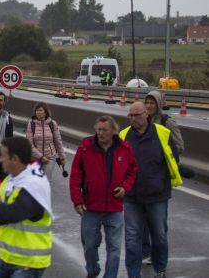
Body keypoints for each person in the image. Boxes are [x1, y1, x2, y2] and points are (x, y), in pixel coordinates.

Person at [119, 101, 182, 278]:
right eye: (130, 115)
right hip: (131, 195)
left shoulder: (162, 133)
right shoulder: (124, 135)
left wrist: (160, 180)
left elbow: (173, 158)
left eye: (136, 115)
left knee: (159, 234)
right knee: (132, 236)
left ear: (146, 114)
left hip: (157, 194)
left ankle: (160, 268)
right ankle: (133, 273)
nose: (133, 119)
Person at [70, 115, 137, 278]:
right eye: (98, 130)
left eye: (104, 130)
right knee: (90, 246)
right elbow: (75, 175)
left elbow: (132, 171)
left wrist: (125, 188)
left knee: (114, 249)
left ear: (113, 131)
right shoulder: (86, 147)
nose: (101, 133)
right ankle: (92, 271)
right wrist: (77, 200)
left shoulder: (124, 148)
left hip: (114, 207)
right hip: (91, 207)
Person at [0, 137, 53, 277]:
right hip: (5, 257)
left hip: (29, 262)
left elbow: (14, 213)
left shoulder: (34, 184)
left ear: (15, 159)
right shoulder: (9, 180)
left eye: (3, 156)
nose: (0, 160)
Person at [25, 103, 66, 180]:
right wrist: (41, 156)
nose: (38, 112)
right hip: (35, 157)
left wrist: (62, 157)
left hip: (50, 157)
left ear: (45, 112)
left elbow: (58, 141)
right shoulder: (31, 124)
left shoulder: (52, 124)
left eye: (40, 110)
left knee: (46, 180)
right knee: (35, 180)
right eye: (37, 110)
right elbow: (29, 144)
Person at [144, 90, 184, 155]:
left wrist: (161, 151)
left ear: (158, 104)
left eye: (152, 103)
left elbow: (180, 147)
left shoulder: (167, 122)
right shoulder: (144, 121)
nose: (148, 106)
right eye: (147, 103)